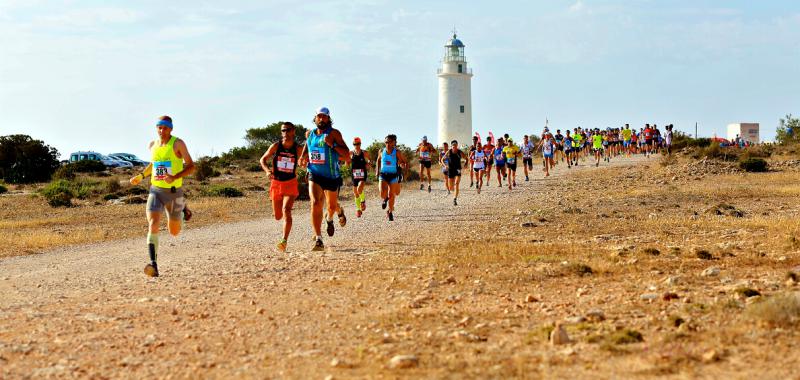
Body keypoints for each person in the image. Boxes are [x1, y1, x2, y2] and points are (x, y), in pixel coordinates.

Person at [129, 115, 195, 277]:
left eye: (165, 128)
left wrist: (175, 176)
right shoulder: (153, 145)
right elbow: (154, 164)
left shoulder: (178, 143)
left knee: (174, 231)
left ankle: (182, 209)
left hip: (174, 192)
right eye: (159, 127)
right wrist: (141, 176)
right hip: (156, 190)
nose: (161, 130)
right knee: (153, 223)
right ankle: (154, 264)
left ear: (170, 129)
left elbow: (191, 166)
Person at [301, 107, 350, 251]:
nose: (321, 119)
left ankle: (334, 215)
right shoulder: (310, 134)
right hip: (314, 173)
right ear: (315, 118)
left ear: (329, 119)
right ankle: (318, 239)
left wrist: (332, 144)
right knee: (316, 202)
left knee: (331, 206)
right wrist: (303, 157)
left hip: (331, 175)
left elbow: (346, 155)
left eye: (324, 117)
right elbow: (307, 146)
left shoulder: (334, 133)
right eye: (319, 116)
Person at [259, 122, 303, 252]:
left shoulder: (298, 148)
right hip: (276, 183)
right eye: (283, 130)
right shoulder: (276, 146)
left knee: (286, 210)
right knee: (278, 216)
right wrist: (267, 170)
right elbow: (262, 159)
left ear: (293, 131)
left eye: (288, 130)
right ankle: (284, 226)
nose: (285, 133)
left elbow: (306, 160)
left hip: (290, 182)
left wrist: (305, 165)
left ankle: (284, 241)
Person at [377, 134, 408, 221]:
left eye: (389, 142)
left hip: (394, 175)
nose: (387, 144)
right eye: (386, 142)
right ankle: (385, 198)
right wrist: (377, 171)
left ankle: (390, 211)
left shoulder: (397, 152)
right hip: (383, 175)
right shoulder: (381, 151)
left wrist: (403, 167)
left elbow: (404, 162)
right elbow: (378, 160)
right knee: (382, 194)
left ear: (393, 143)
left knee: (393, 194)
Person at [349, 137, 370, 218]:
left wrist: (368, 163)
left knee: (359, 189)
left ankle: (363, 201)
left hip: (362, 174)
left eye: (358, 144)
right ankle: (358, 210)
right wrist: (347, 164)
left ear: (360, 144)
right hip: (354, 174)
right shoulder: (350, 153)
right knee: (355, 193)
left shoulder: (364, 153)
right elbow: (347, 162)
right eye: (354, 144)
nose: (356, 145)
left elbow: (369, 160)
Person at [442, 140, 467, 206]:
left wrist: (465, 164)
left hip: (458, 169)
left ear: (457, 145)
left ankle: (455, 199)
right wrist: (445, 166)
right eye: (453, 145)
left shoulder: (459, 152)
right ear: (451, 146)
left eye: (455, 145)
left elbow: (466, 158)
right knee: (451, 188)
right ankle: (452, 190)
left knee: (457, 184)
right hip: (450, 170)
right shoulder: (449, 152)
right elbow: (442, 160)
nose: (454, 146)